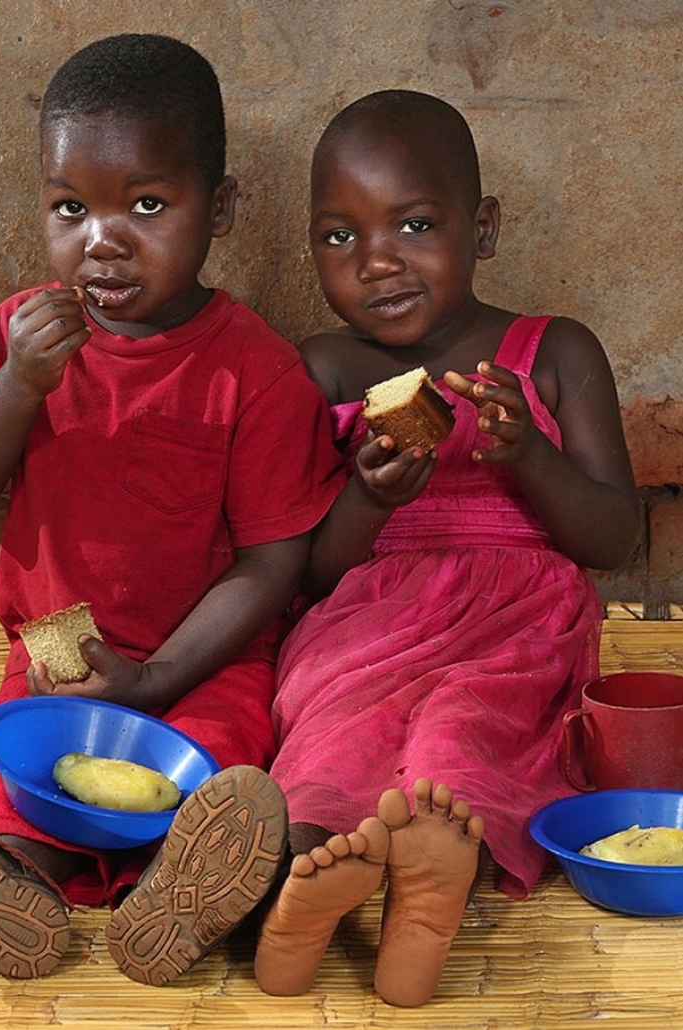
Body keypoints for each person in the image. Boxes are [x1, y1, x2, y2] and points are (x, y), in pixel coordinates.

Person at [0, 34, 344, 984]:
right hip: (55, 650)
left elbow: (270, 564)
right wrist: (18, 388)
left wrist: (159, 679)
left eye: (147, 204)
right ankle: (8, 885)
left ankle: (180, 890)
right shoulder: (15, 335)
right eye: (70, 208)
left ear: (223, 209)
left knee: (212, 776)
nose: (103, 239)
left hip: (204, 656)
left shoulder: (256, 371)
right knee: (30, 788)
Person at [252, 89, 640, 1007]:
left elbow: (614, 537)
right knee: (328, 729)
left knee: (466, 733)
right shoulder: (325, 370)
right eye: (336, 237)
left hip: (517, 621)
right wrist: (365, 496)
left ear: (484, 226)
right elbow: (308, 574)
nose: (375, 262)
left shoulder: (554, 354)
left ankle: (429, 880)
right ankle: (308, 881)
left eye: (414, 224)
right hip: (366, 618)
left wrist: (529, 457)